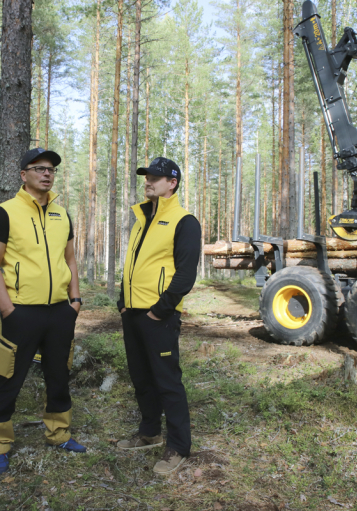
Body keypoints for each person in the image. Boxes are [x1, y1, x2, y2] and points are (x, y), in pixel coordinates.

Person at [0, 147, 86, 475]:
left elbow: (70, 260)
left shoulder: (61, 214)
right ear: (23, 174)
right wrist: (7, 309)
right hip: (21, 313)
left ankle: (59, 434)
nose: (46, 173)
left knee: (59, 376)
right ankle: (0, 445)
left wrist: (75, 301)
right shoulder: (5, 212)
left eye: (51, 169)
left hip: (59, 313)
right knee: (7, 379)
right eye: (39, 168)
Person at [116, 157, 201, 475]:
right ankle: (149, 432)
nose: (148, 181)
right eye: (147, 176)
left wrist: (158, 311)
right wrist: (123, 302)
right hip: (133, 313)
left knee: (167, 382)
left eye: (156, 177)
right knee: (141, 379)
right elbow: (133, 266)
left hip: (158, 316)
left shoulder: (184, 221)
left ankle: (178, 447)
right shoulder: (142, 220)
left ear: (172, 183)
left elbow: (185, 275)